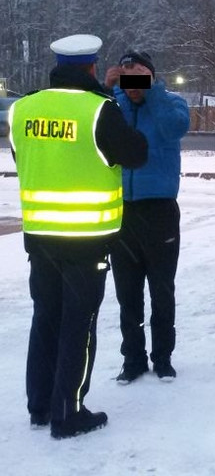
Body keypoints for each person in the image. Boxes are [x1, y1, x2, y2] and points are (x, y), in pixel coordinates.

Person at [8, 34, 148, 439]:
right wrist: (114, 95)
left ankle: (40, 405)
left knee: (46, 317)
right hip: (87, 239)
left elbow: (24, 156)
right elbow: (136, 153)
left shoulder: (23, 108)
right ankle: (68, 412)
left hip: (40, 237)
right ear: (91, 67)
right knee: (79, 324)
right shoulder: (99, 109)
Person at [104, 51, 190, 384]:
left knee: (161, 289)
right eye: (127, 79)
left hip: (159, 211)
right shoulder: (115, 105)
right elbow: (107, 134)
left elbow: (174, 128)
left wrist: (152, 91)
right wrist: (108, 89)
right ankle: (133, 359)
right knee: (127, 292)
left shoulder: (171, 103)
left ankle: (163, 357)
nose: (133, 86)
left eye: (138, 78)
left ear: (151, 77)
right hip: (123, 211)